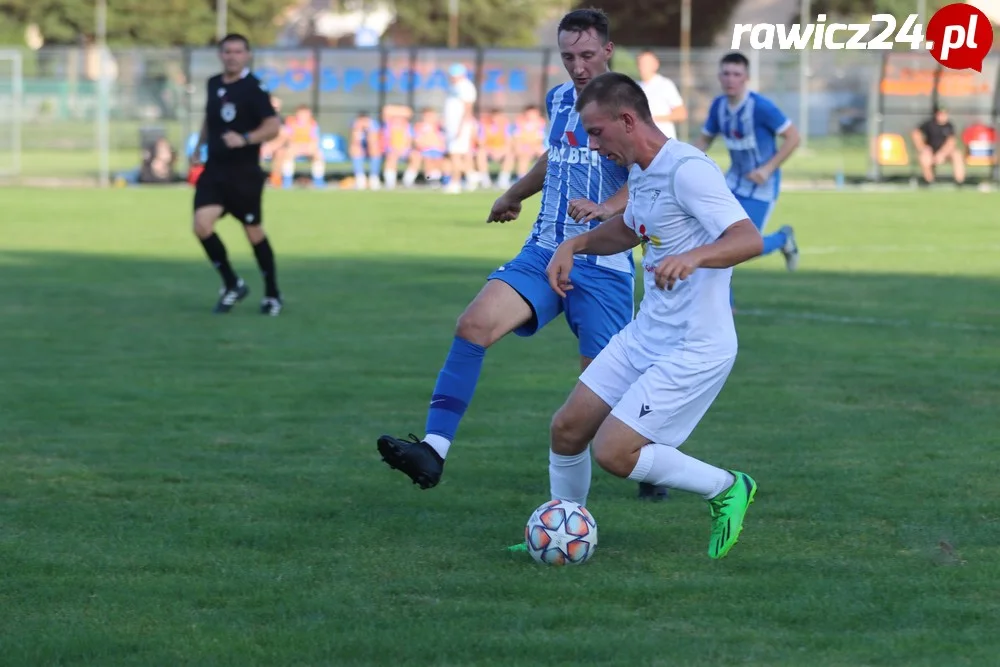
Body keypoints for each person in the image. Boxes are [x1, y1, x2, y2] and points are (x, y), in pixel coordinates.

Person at [377, 8, 671, 502]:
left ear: (606, 51)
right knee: (473, 325)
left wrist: (605, 208)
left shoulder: (629, 108)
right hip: (542, 250)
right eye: (567, 56)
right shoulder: (560, 99)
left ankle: (651, 462)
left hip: (602, 263)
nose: (576, 66)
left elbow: (650, 173)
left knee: (600, 388)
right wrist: (514, 193)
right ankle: (433, 448)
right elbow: (554, 157)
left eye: (584, 55)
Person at [540, 71, 763, 559]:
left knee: (614, 453)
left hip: (695, 345)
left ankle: (728, 486)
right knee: (567, 428)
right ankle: (565, 534)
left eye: (597, 133)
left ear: (627, 119)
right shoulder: (642, 171)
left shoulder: (688, 169)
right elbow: (631, 230)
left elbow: (748, 237)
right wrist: (575, 245)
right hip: (647, 334)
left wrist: (696, 258)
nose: (594, 146)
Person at [190, 33, 283, 316]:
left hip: (244, 174)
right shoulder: (214, 83)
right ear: (220, 55)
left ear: (247, 55)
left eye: (238, 52)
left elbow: (273, 126)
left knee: (253, 232)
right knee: (201, 225)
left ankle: (272, 293)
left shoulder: (254, 88)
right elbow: (210, 117)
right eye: (227, 51)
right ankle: (232, 283)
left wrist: (245, 138)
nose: (232, 56)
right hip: (215, 170)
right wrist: (199, 146)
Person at [694, 52, 800, 293]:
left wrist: (768, 168)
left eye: (736, 74)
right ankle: (724, 304)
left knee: (743, 246)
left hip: (761, 188)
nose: (730, 79)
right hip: (732, 183)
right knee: (712, 240)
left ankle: (783, 238)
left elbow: (793, 137)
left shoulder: (761, 107)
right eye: (726, 73)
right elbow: (703, 140)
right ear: (719, 76)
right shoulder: (719, 106)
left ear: (746, 78)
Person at [442, 63, 478, 193]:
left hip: (460, 126)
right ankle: (471, 174)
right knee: (454, 154)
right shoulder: (453, 87)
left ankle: (455, 182)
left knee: (456, 154)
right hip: (452, 126)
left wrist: (461, 127)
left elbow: (468, 109)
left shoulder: (466, 87)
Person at [635, 50, 686, 139]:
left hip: (663, 141)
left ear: (656, 64)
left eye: (647, 63)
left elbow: (681, 114)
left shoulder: (665, 85)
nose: (643, 66)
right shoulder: (635, 86)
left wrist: (652, 119)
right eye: (641, 63)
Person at [912, 107, 966, 186]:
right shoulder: (929, 124)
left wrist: (942, 154)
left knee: (957, 154)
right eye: (940, 114)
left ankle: (959, 181)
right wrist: (922, 148)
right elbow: (915, 133)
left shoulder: (949, 126)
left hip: (945, 153)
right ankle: (929, 181)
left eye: (944, 114)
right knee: (924, 157)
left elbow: (951, 142)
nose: (942, 116)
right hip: (931, 151)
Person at [281, 104, 326, 188]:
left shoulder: (313, 124)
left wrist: (308, 147)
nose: (304, 116)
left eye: (306, 114)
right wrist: (297, 147)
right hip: (295, 147)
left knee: (318, 155)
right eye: (301, 114)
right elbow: (288, 138)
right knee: (288, 153)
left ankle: (319, 181)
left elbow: (315, 140)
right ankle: (287, 181)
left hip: (308, 147)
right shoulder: (291, 123)